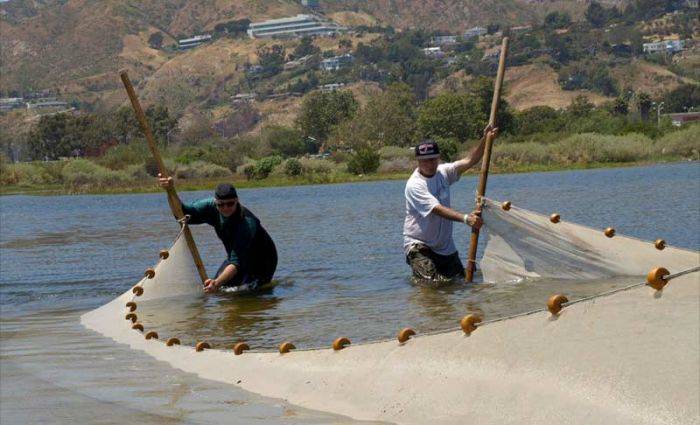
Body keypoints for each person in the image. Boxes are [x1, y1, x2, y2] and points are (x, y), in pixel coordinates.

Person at [403, 126, 497, 283]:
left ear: (438, 158)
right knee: (432, 284)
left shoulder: (443, 172)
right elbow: (437, 209)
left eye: (433, 159)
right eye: (425, 160)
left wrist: (485, 139)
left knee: (460, 282)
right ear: (418, 161)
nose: (430, 164)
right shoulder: (415, 185)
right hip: (420, 245)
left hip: (445, 246)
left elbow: (470, 161)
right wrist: (466, 218)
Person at [158, 176, 277, 293]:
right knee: (219, 290)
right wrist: (170, 190)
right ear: (216, 202)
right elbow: (181, 213)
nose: (225, 208)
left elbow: (236, 263)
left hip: (262, 261)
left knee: (244, 294)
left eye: (230, 204)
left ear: (237, 201)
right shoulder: (210, 207)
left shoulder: (247, 224)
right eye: (221, 204)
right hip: (235, 258)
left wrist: (216, 283)